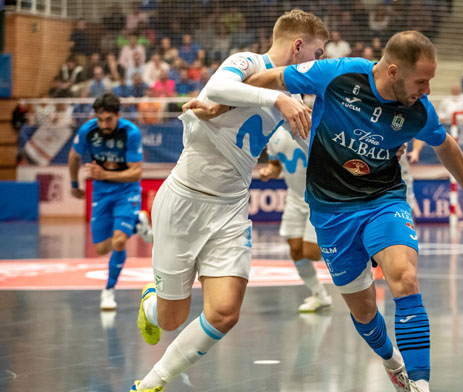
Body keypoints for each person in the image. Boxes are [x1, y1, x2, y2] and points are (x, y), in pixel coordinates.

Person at [245, 30, 463, 392]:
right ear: (393, 71)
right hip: (331, 210)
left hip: (383, 200)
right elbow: (271, 78)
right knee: (363, 312)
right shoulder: (337, 74)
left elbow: (446, 146)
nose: (426, 90)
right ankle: (393, 363)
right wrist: (225, 99)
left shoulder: (417, 111)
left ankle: (421, 385)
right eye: (421, 81)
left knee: (406, 279)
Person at [130, 10, 328, 392]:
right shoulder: (247, 61)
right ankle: (150, 303)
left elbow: (315, 147)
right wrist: (278, 99)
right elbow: (219, 88)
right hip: (184, 200)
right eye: (317, 54)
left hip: (231, 209)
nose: (317, 63)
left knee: (224, 312)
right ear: (298, 45)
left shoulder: (299, 95)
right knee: (170, 318)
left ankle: (152, 383)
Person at [66, 93, 152, 311]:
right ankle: (137, 222)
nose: (104, 125)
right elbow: (74, 156)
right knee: (103, 248)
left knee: (119, 242)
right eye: (100, 119)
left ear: (118, 116)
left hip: (126, 191)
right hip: (101, 193)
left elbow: (136, 173)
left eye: (109, 120)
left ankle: (108, 291)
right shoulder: (88, 130)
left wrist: (104, 174)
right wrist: (74, 184)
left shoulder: (130, 133)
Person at [259, 125, 333, 312]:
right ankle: (320, 296)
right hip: (294, 197)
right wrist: (269, 171)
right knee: (296, 250)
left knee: (312, 252)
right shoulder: (273, 132)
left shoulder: (312, 125)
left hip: (319, 198)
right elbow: (276, 166)